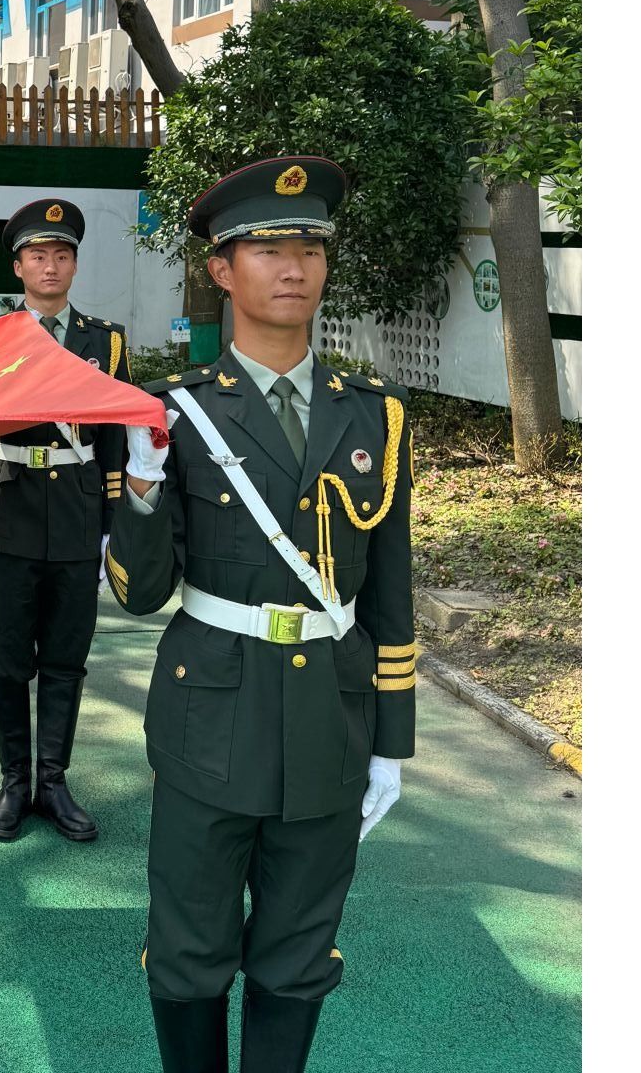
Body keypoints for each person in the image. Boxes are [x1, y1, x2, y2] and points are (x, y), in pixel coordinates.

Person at [106, 156, 418, 1073]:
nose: (294, 268)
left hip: (331, 718)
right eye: (269, 249)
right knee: (189, 948)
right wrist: (141, 484)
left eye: (310, 249)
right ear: (221, 269)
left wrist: (392, 740)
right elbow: (139, 591)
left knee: (299, 950)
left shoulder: (376, 417)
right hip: (210, 717)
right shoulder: (175, 414)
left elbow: (389, 591)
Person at [0, 197, 130, 841]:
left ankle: (54, 782)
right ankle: (14, 782)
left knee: (67, 655)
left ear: (74, 265)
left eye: (62, 255)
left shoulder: (105, 340)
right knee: (6, 655)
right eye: (38, 255)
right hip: (9, 503)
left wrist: (112, 520)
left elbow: (116, 430)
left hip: (76, 511)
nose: (50, 266)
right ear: (19, 266)